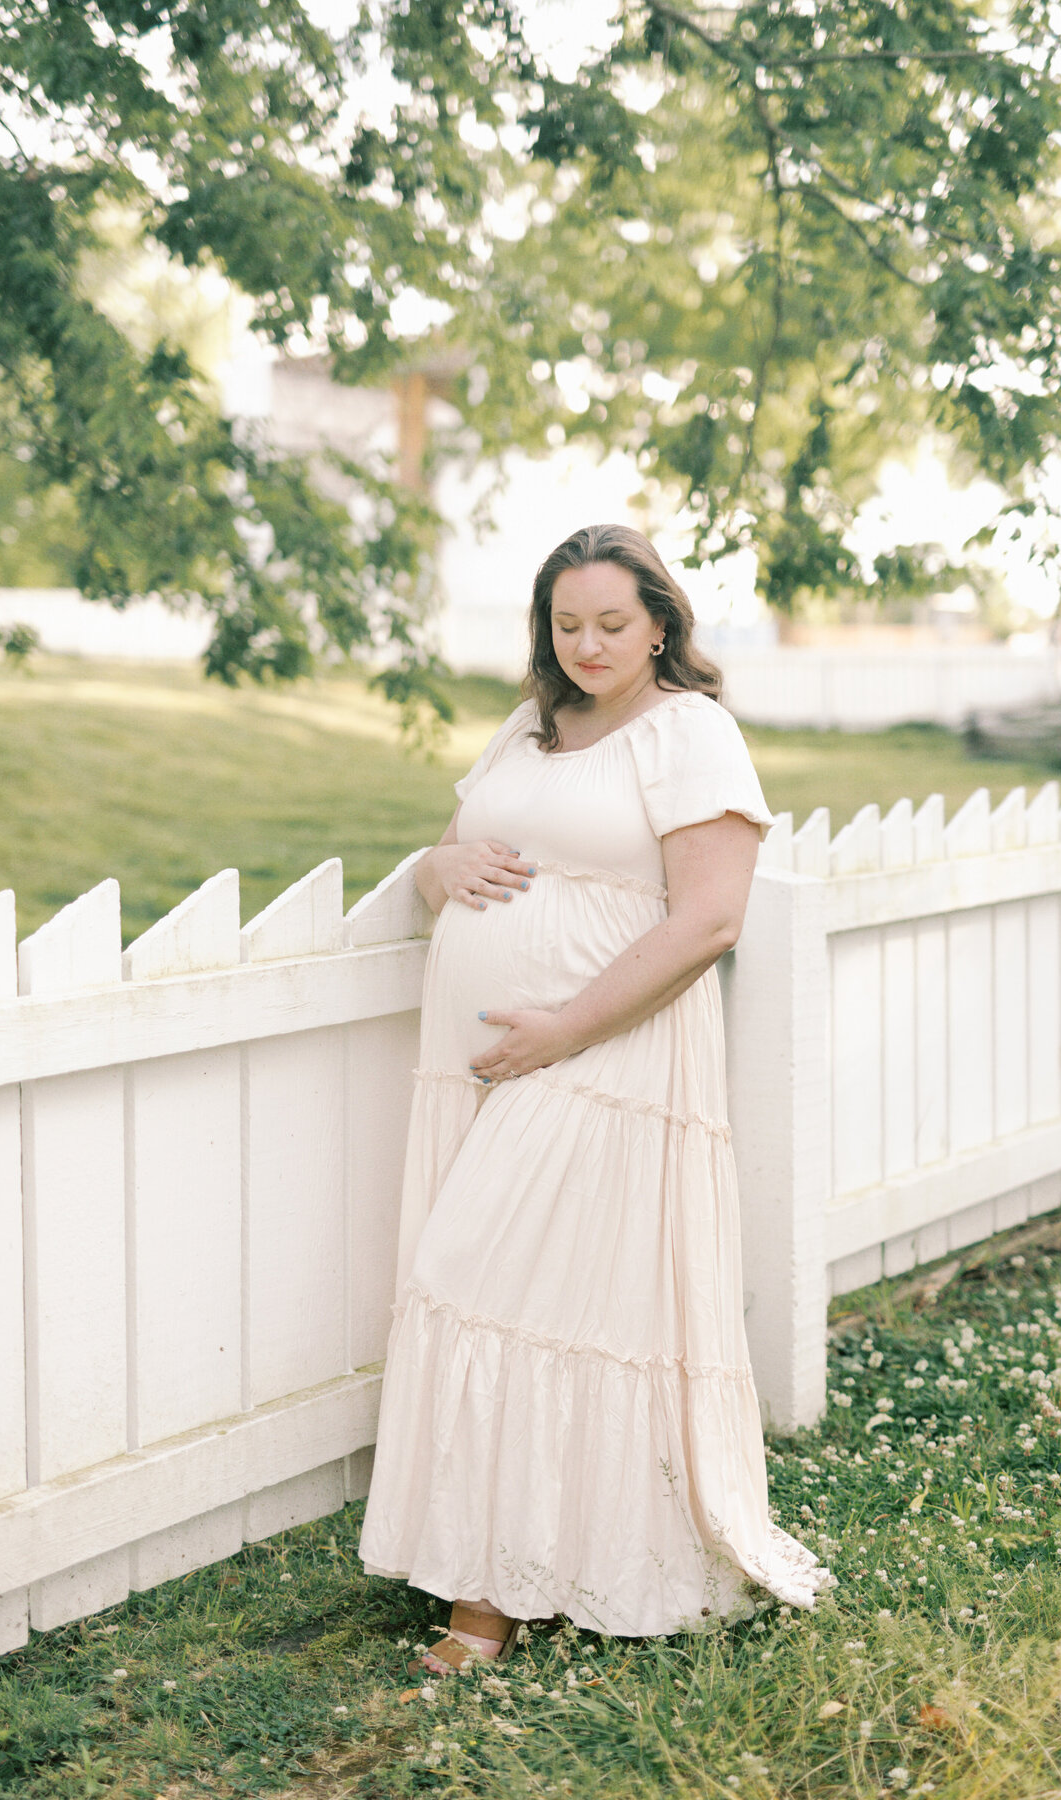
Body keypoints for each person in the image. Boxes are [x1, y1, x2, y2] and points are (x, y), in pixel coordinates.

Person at [358, 523, 830, 1674]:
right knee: (529, 1301)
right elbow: (455, 844)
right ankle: (511, 1562)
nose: (587, 645)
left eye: (612, 623)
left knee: (484, 1278)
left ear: (662, 622)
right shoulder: (532, 722)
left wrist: (567, 1025)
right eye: (567, 624)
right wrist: (434, 871)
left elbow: (709, 918)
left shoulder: (691, 734)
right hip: (493, 1062)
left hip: (610, 1056)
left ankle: (488, 1599)